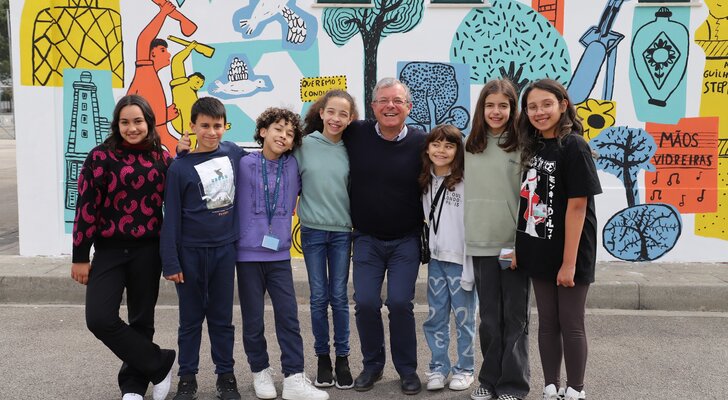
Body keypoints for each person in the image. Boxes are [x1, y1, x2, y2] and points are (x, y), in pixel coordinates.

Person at [70, 94, 176, 400]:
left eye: (138, 121)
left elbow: (178, 201)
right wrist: (80, 256)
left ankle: (132, 386)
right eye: (125, 122)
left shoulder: (162, 158)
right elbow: (86, 207)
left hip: (148, 252)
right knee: (99, 318)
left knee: (141, 321)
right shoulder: (100, 157)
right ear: (116, 125)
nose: (132, 128)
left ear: (149, 122)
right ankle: (159, 362)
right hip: (110, 251)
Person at [515, 79, 602, 400]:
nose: (539, 112)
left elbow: (578, 206)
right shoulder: (533, 146)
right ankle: (551, 386)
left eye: (546, 104)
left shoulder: (574, 146)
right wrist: (519, 248)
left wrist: (568, 264)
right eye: (532, 107)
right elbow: (527, 202)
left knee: (571, 322)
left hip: (571, 251)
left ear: (563, 105)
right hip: (538, 247)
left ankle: (576, 388)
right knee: (548, 322)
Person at [235, 107, 329, 400]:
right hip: (247, 256)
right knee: (253, 319)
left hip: (278, 255)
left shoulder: (293, 166)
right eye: (278, 129)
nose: (283, 136)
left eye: (289, 134)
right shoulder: (243, 163)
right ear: (263, 131)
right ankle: (260, 371)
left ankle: (294, 376)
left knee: (288, 317)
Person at [343, 77, 427, 395]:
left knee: (400, 303)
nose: (390, 106)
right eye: (383, 101)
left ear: (409, 107)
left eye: (397, 101)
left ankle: (407, 370)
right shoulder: (355, 133)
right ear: (373, 106)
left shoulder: (422, 142)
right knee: (365, 302)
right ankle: (372, 365)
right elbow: (317, 135)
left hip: (406, 239)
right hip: (367, 238)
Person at [160, 97, 247, 400]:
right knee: (190, 320)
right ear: (192, 126)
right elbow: (171, 216)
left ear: (225, 126)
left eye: (217, 126)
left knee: (222, 319)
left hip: (224, 251)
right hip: (190, 254)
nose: (212, 132)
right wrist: (171, 261)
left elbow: (267, 158)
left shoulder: (233, 152)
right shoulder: (179, 168)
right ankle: (187, 377)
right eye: (205, 126)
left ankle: (226, 375)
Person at [465, 79, 531, 400]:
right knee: (490, 318)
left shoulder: (522, 146)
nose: (496, 111)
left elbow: (530, 200)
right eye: (490, 105)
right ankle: (489, 380)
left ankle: (513, 384)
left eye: (503, 106)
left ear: (512, 109)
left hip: (511, 246)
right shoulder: (469, 145)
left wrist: (521, 244)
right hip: (481, 243)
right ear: (481, 108)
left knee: (514, 316)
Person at [295, 90, 359, 389]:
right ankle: (323, 358)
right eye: (331, 112)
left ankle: (343, 358)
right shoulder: (303, 145)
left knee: (339, 297)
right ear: (321, 112)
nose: (336, 118)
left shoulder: (352, 148)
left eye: (343, 114)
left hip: (342, 232)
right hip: (312, 231)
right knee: (319, 297)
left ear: (350, 119)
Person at [419, 125, 477, 393]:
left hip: (461, 262)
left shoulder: (465, 181)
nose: (441, 151)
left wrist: (470, 265)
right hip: (436, 261)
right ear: (427, 148)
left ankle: (465, 369)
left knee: (464, 319)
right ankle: (438, 367)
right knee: (436, 317)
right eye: (436, 144)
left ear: (458, 151)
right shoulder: (425, 180)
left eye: (449, 146)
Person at [127, 0, 180, 155]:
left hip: (161, 132)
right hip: (148, 135)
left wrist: (165, 114)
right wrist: (163, 13)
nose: (168, 54)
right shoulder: (144, 69)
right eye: (163, 50)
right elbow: (144, 39)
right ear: (151, 54)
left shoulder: (153, 76)